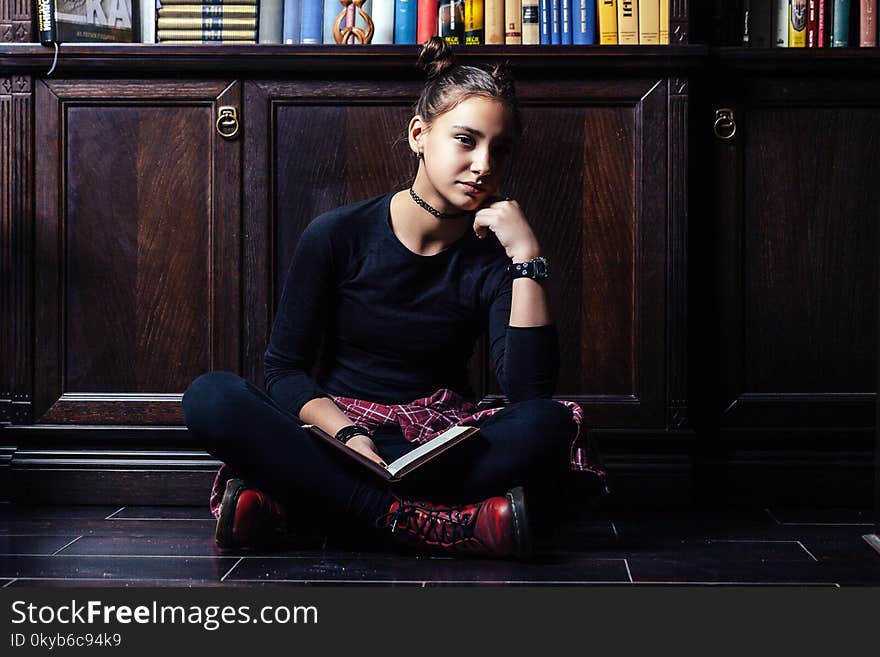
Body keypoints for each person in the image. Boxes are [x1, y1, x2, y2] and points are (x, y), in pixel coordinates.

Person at [182, 36, 606, 560]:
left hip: (434, 445)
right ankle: (422, 522)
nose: (484, 164)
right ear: (419, 135)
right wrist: (349, 434)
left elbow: (528, 391)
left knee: (551, 422)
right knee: (211, 396)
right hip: (336, 433)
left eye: (501, 149)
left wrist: (526, 256)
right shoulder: (337, 234)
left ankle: (300, 508)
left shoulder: (498, 260)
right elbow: (284, 371)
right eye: (466, 140)